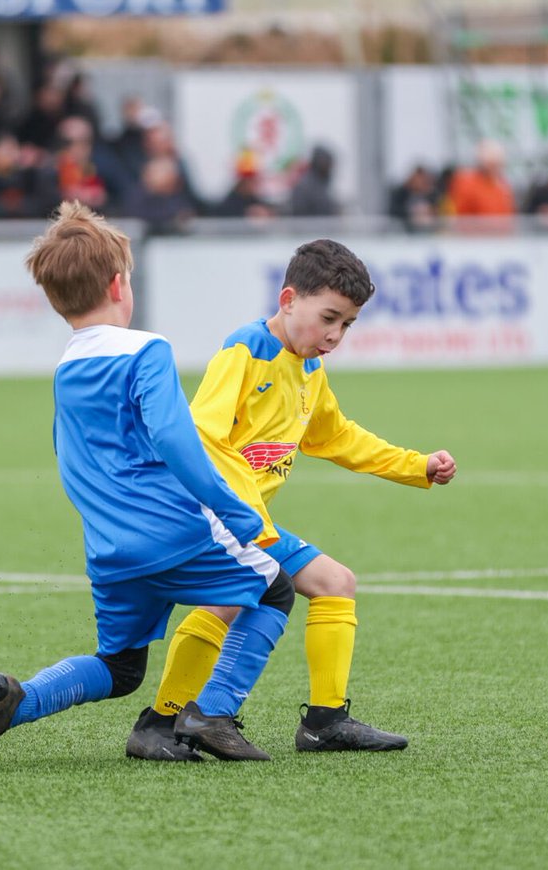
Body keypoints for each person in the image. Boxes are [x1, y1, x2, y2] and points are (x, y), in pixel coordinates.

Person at [0, 201, 295, 767]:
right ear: (119, 283)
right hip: (173, 530)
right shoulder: (146, 350)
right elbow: (178, 441)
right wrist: (235, 510)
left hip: (109, 548)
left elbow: (65, 453)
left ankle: (17, 699)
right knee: (274, 589)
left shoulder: (67, 367)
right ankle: (213, 712)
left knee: (121, 668)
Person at [125, 239, 457, 761]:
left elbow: (337, 437)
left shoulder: (308, 369)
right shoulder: (245, 350)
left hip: (250, 523)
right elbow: (203, 435)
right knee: (233, 598)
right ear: (287, 299)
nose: (335, 335)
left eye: (346, 324)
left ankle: (325, 722)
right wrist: (245, 513)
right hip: (209, 519)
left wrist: (415, 465)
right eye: (329, 317)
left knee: (334, 583)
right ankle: (161, 722)